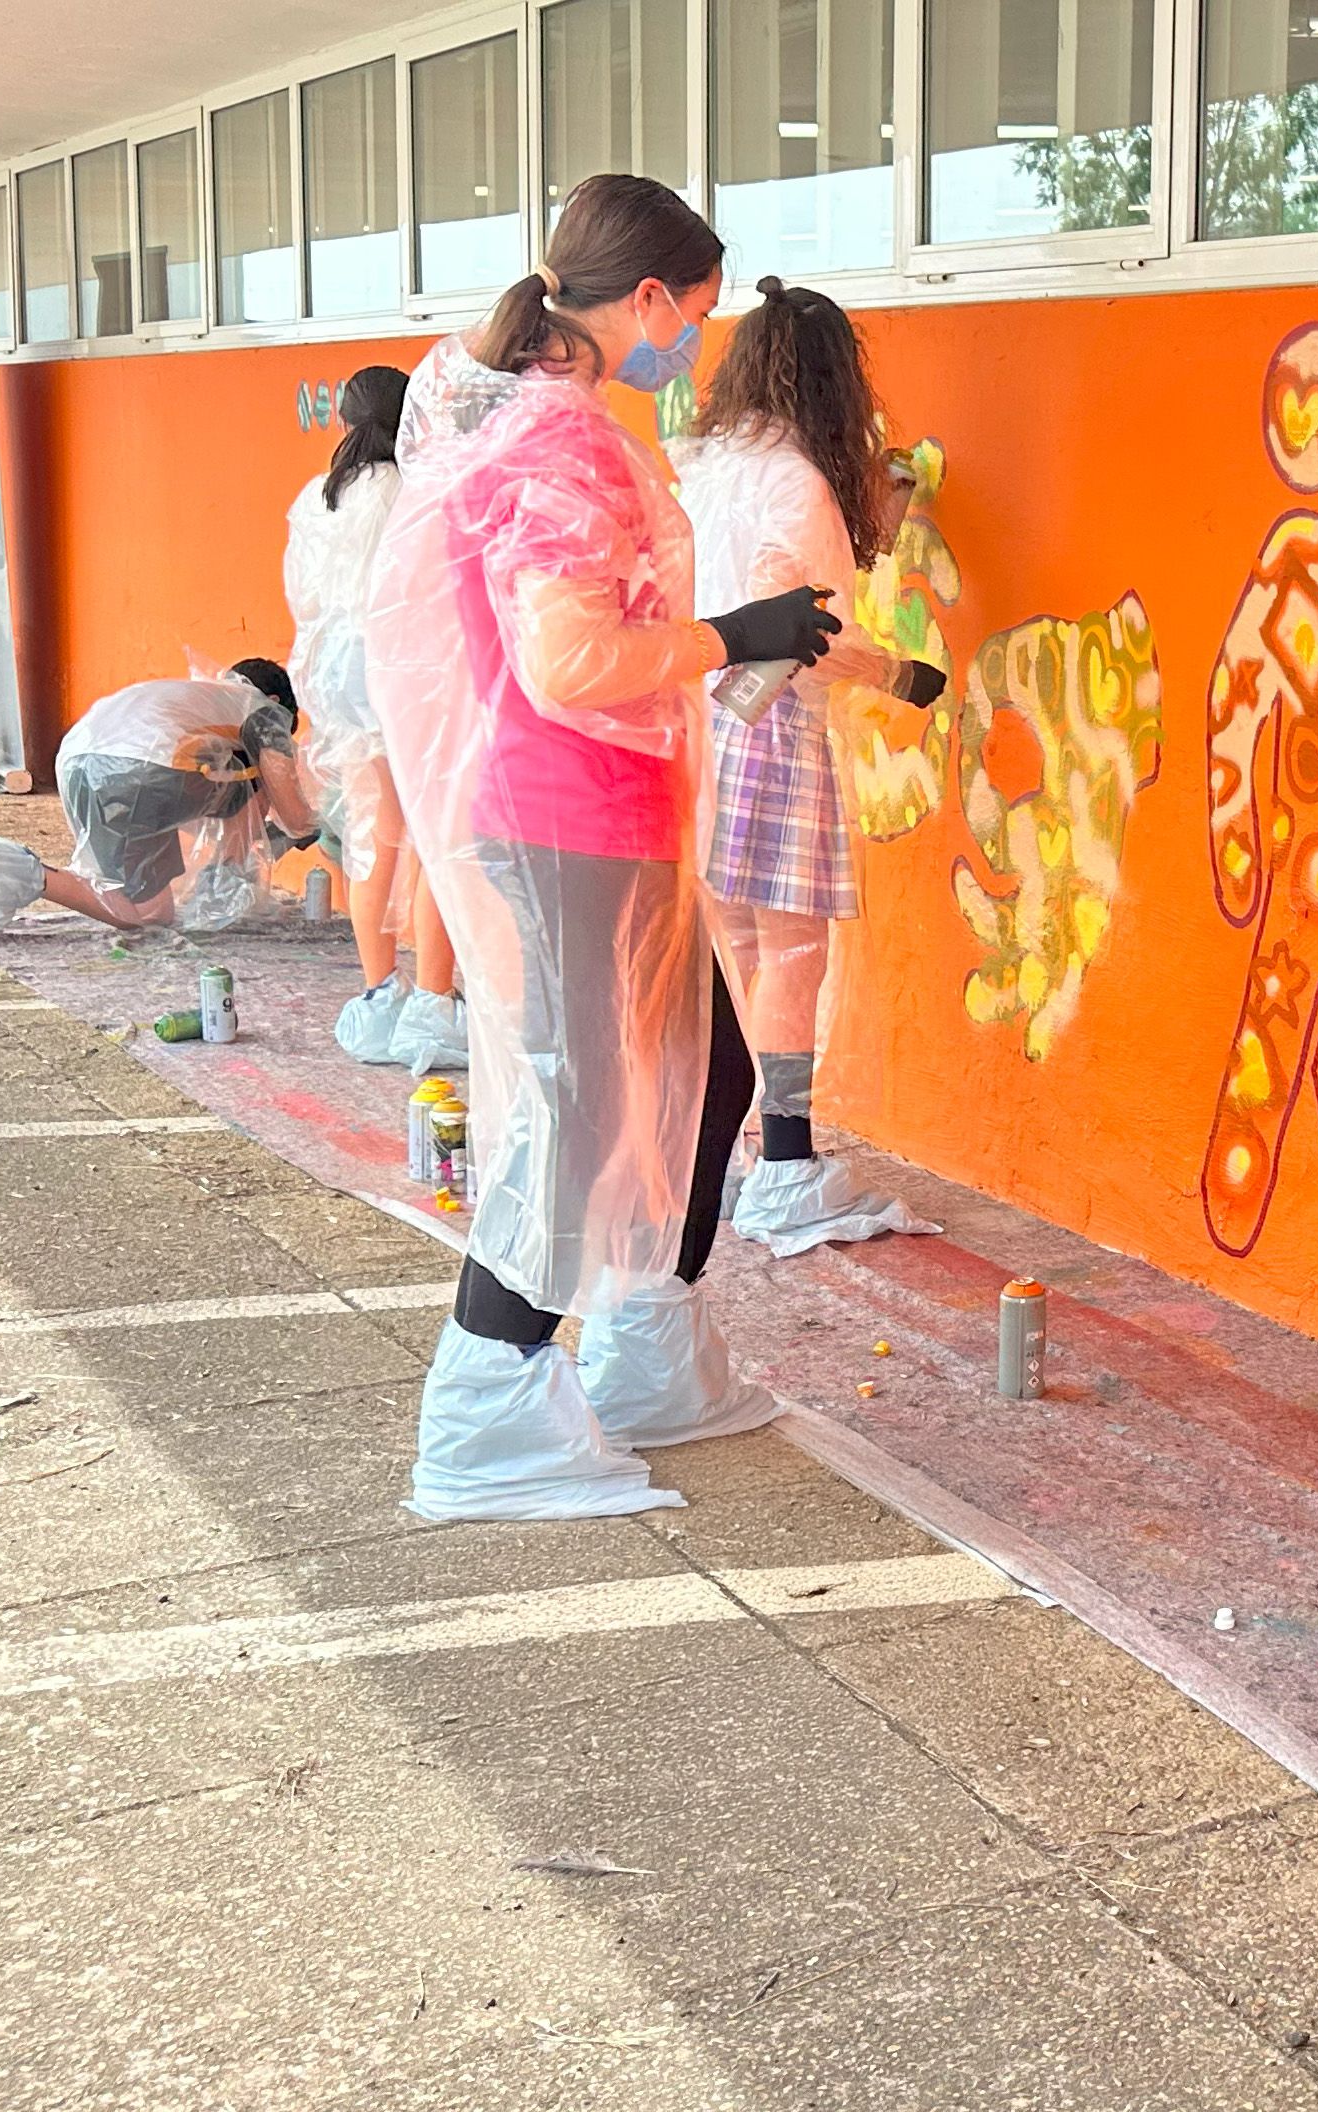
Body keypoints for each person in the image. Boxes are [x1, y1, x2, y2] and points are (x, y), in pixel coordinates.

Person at [363, 175, 848, 1521]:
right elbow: (570, 658)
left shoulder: (540, 420)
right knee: (573, 1115)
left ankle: (649, 1343)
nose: (690, 343)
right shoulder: (560, 445)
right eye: (690, 314)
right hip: (562, 813)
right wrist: (732, 637)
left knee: (710, 1065)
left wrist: (737, 636)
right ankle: (487, 1408)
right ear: (644, 299)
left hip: (601, 818)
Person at [672, 279, 934, 1255]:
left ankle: (765, 1150)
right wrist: (906, 675)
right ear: (831, 380)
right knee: (790, 953)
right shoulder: (797, 483)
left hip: (689, 725)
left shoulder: (701, 464)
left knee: (741, 950)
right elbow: (801, 635)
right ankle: (786, 1162)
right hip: (765, 725)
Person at [285, 363, 467, 1075]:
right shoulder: (417, 490)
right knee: (432, 840)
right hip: (409, 670)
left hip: (338, 674)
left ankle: (378, 990)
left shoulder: (318, 498)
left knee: (371, 840)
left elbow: (302, 593)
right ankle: (434, 999)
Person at [0, 661, 316, 939]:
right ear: (278, 702)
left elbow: (199, 813)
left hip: (77, 764)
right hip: (145, 772)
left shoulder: (197, 697)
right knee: (254, 779)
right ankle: (225, 881)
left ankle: (10, 871)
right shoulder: (261, 710)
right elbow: (294, 813)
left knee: (152, 913)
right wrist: (322, 822)